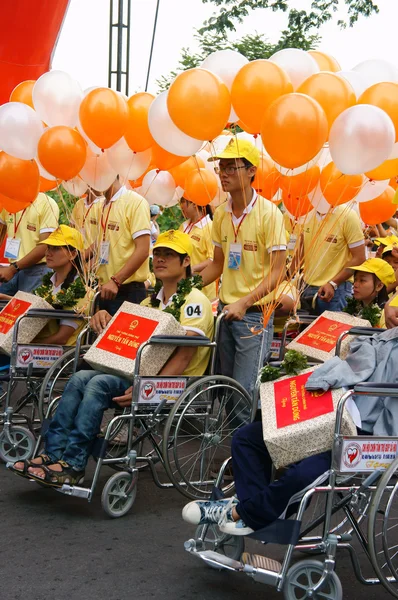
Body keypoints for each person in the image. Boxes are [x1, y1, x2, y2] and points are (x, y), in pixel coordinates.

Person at [10, 230, 214, 486]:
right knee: (79, 378)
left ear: (186, 262)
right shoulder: (150, 303)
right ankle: (51, 453)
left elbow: (184, 355)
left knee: (97, 384)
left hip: (172, 380)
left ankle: (73, 463)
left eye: (169, 255)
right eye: (158, 254)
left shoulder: (196, 300)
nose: (160, 259)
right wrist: (103, 318)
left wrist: (147, 387)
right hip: (136, 372)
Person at [199, 139, 287, 398]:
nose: (224, 175)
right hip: (226, 311)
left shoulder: (270, 214)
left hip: (255, 316)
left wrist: (245, 303)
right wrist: (184, 288)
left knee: (243, 391)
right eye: (221, 168)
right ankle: (229, 438)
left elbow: (278, 271)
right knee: (224, 387)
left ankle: (241, 439)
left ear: (251, 171)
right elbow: (217, 264)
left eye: (231, 168)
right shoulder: (220, 214)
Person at [0, 225, 90, 345]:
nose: (48, 253)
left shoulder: (82, 291)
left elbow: (61, 338)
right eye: (48, 248)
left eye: (56, 248)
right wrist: (4, 297)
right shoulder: (49, 284)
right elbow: (37, 306)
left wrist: (26, 347)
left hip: (57, 355)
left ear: (73, 254)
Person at [89, 177, 151, 315]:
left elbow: (143, 249)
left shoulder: (135, 202)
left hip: (127, 291)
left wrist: (116, 281)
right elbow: (100, 243)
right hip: (103, 289)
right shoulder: (99, 205)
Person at [299, 204, 366, 315]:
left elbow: (359, 258)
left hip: (336, 291)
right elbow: (300, 253)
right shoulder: (306, 214)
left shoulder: (348, 215)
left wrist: (333, 283)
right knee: (308, 331)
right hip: (306, 288)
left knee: (332, 331)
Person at [0, 192, 59, 294]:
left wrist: (13, 269)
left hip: (36, 271)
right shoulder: (9, 201)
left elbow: (45, 246)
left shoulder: (47, 203)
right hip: (11, 269)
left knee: (28, 308)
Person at [179, 197, 217, 301]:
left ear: (194, 204)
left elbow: (213, 260)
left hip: (203, 290)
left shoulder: (210, 227)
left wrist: (192, 269)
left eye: (183, 202)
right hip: (182, 286)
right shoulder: (183, 226)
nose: (181, 206)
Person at [344, 258, 396, 327]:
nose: (355, 284)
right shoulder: (354, 308)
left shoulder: (386, 315)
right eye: (355, 279)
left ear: (379, 286)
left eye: (362, 280)